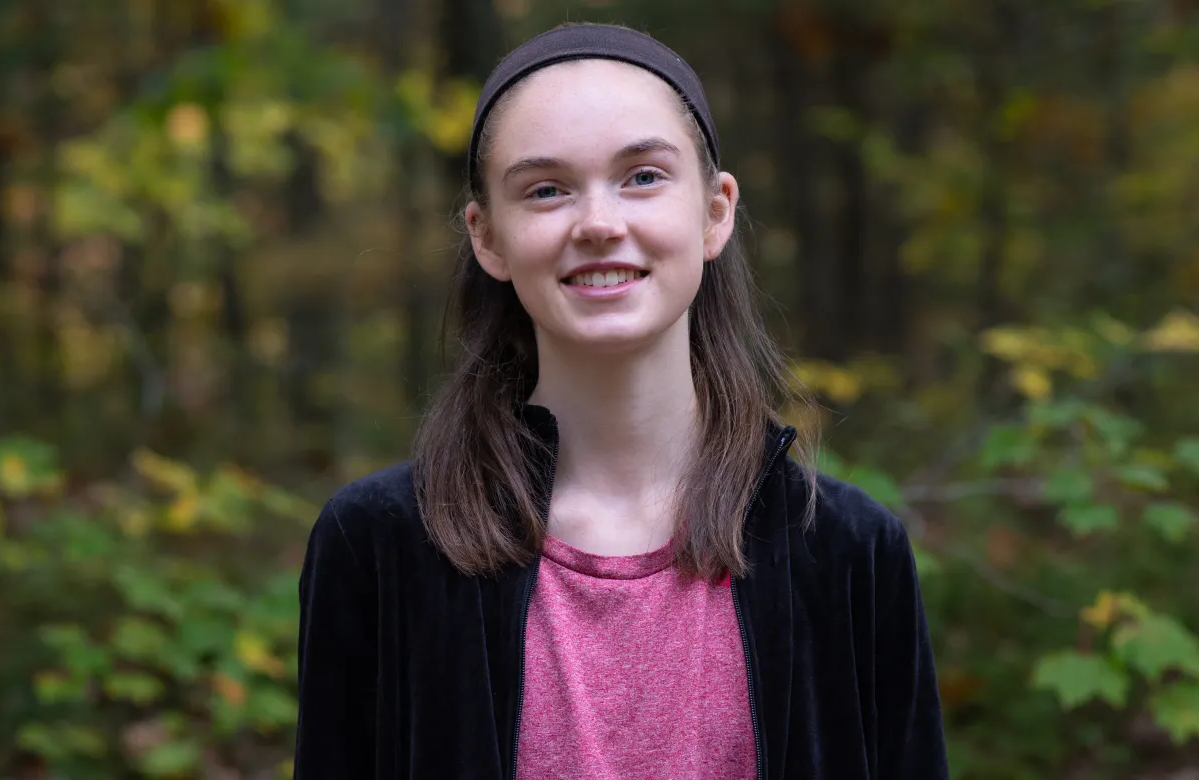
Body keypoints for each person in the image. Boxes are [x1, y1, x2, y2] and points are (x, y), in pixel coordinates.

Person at [292, 22, 948, 779]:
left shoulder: (848, 549)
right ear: (488, 237)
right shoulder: (379, 543)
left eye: (642, 176)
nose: (599, 224)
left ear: (715, 211)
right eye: (546, 190)